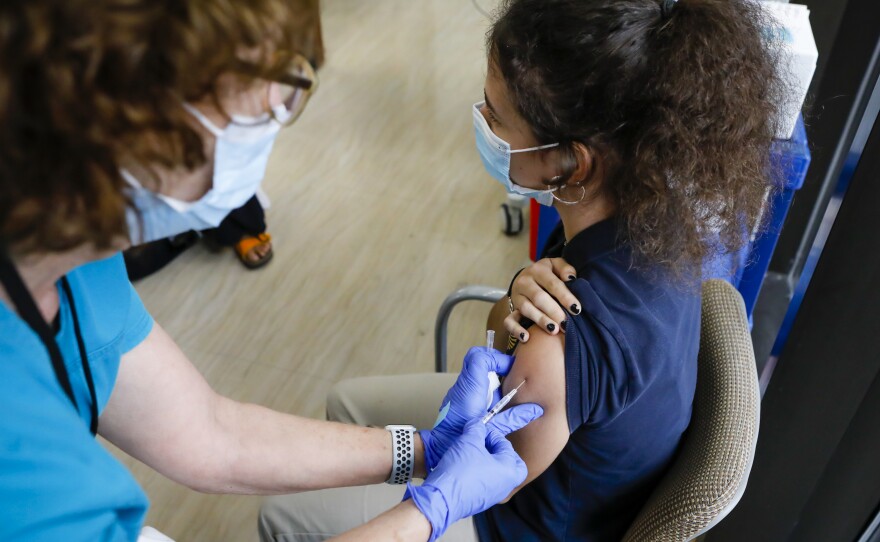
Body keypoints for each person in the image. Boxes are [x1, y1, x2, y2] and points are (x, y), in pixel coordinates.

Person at [0, 1, 556, 540]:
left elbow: (210, 434)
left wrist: (428, 448)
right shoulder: (18, 445)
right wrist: (427, 515)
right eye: (267, 97)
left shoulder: (76, 268)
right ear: (129, 120)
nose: (279, 114)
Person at [258, 0, 783, 540]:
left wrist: (424, 504)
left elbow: (496, 480)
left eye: (496, 116)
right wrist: (515, 300)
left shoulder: (561, 336)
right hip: (579, 476)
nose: (482, 123)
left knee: (281, 517)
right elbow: (503, 335)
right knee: (345, 401)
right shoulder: (647, 221)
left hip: (518, 521)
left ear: (571, 161)